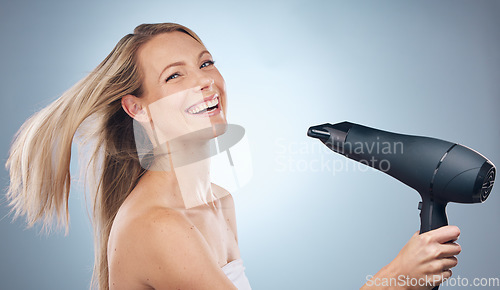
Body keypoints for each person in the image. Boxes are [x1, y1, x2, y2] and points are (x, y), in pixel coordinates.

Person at [5, 23, 461, 290]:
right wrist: (396, 277)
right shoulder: (156, 225)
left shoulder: (215, 194)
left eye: (205, 63)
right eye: (174, 76)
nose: (204, 81)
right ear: (136, 107)